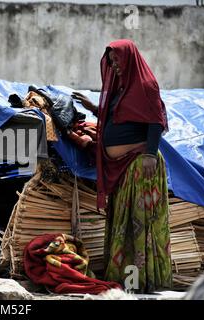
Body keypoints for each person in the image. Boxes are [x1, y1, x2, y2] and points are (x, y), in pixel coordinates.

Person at [71, 39, 172, 293]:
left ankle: (143, 282)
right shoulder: (121, 90)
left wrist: (150, 154)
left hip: (141, 167)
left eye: (118, 60)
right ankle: (128, 281)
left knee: (139, 226)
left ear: (130, 59)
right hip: (123, 168)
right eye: (111, 61)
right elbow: (121, 118)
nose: (114, 65)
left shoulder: (146, 86)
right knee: (124, 224)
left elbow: (156, 121)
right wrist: (94, 108)